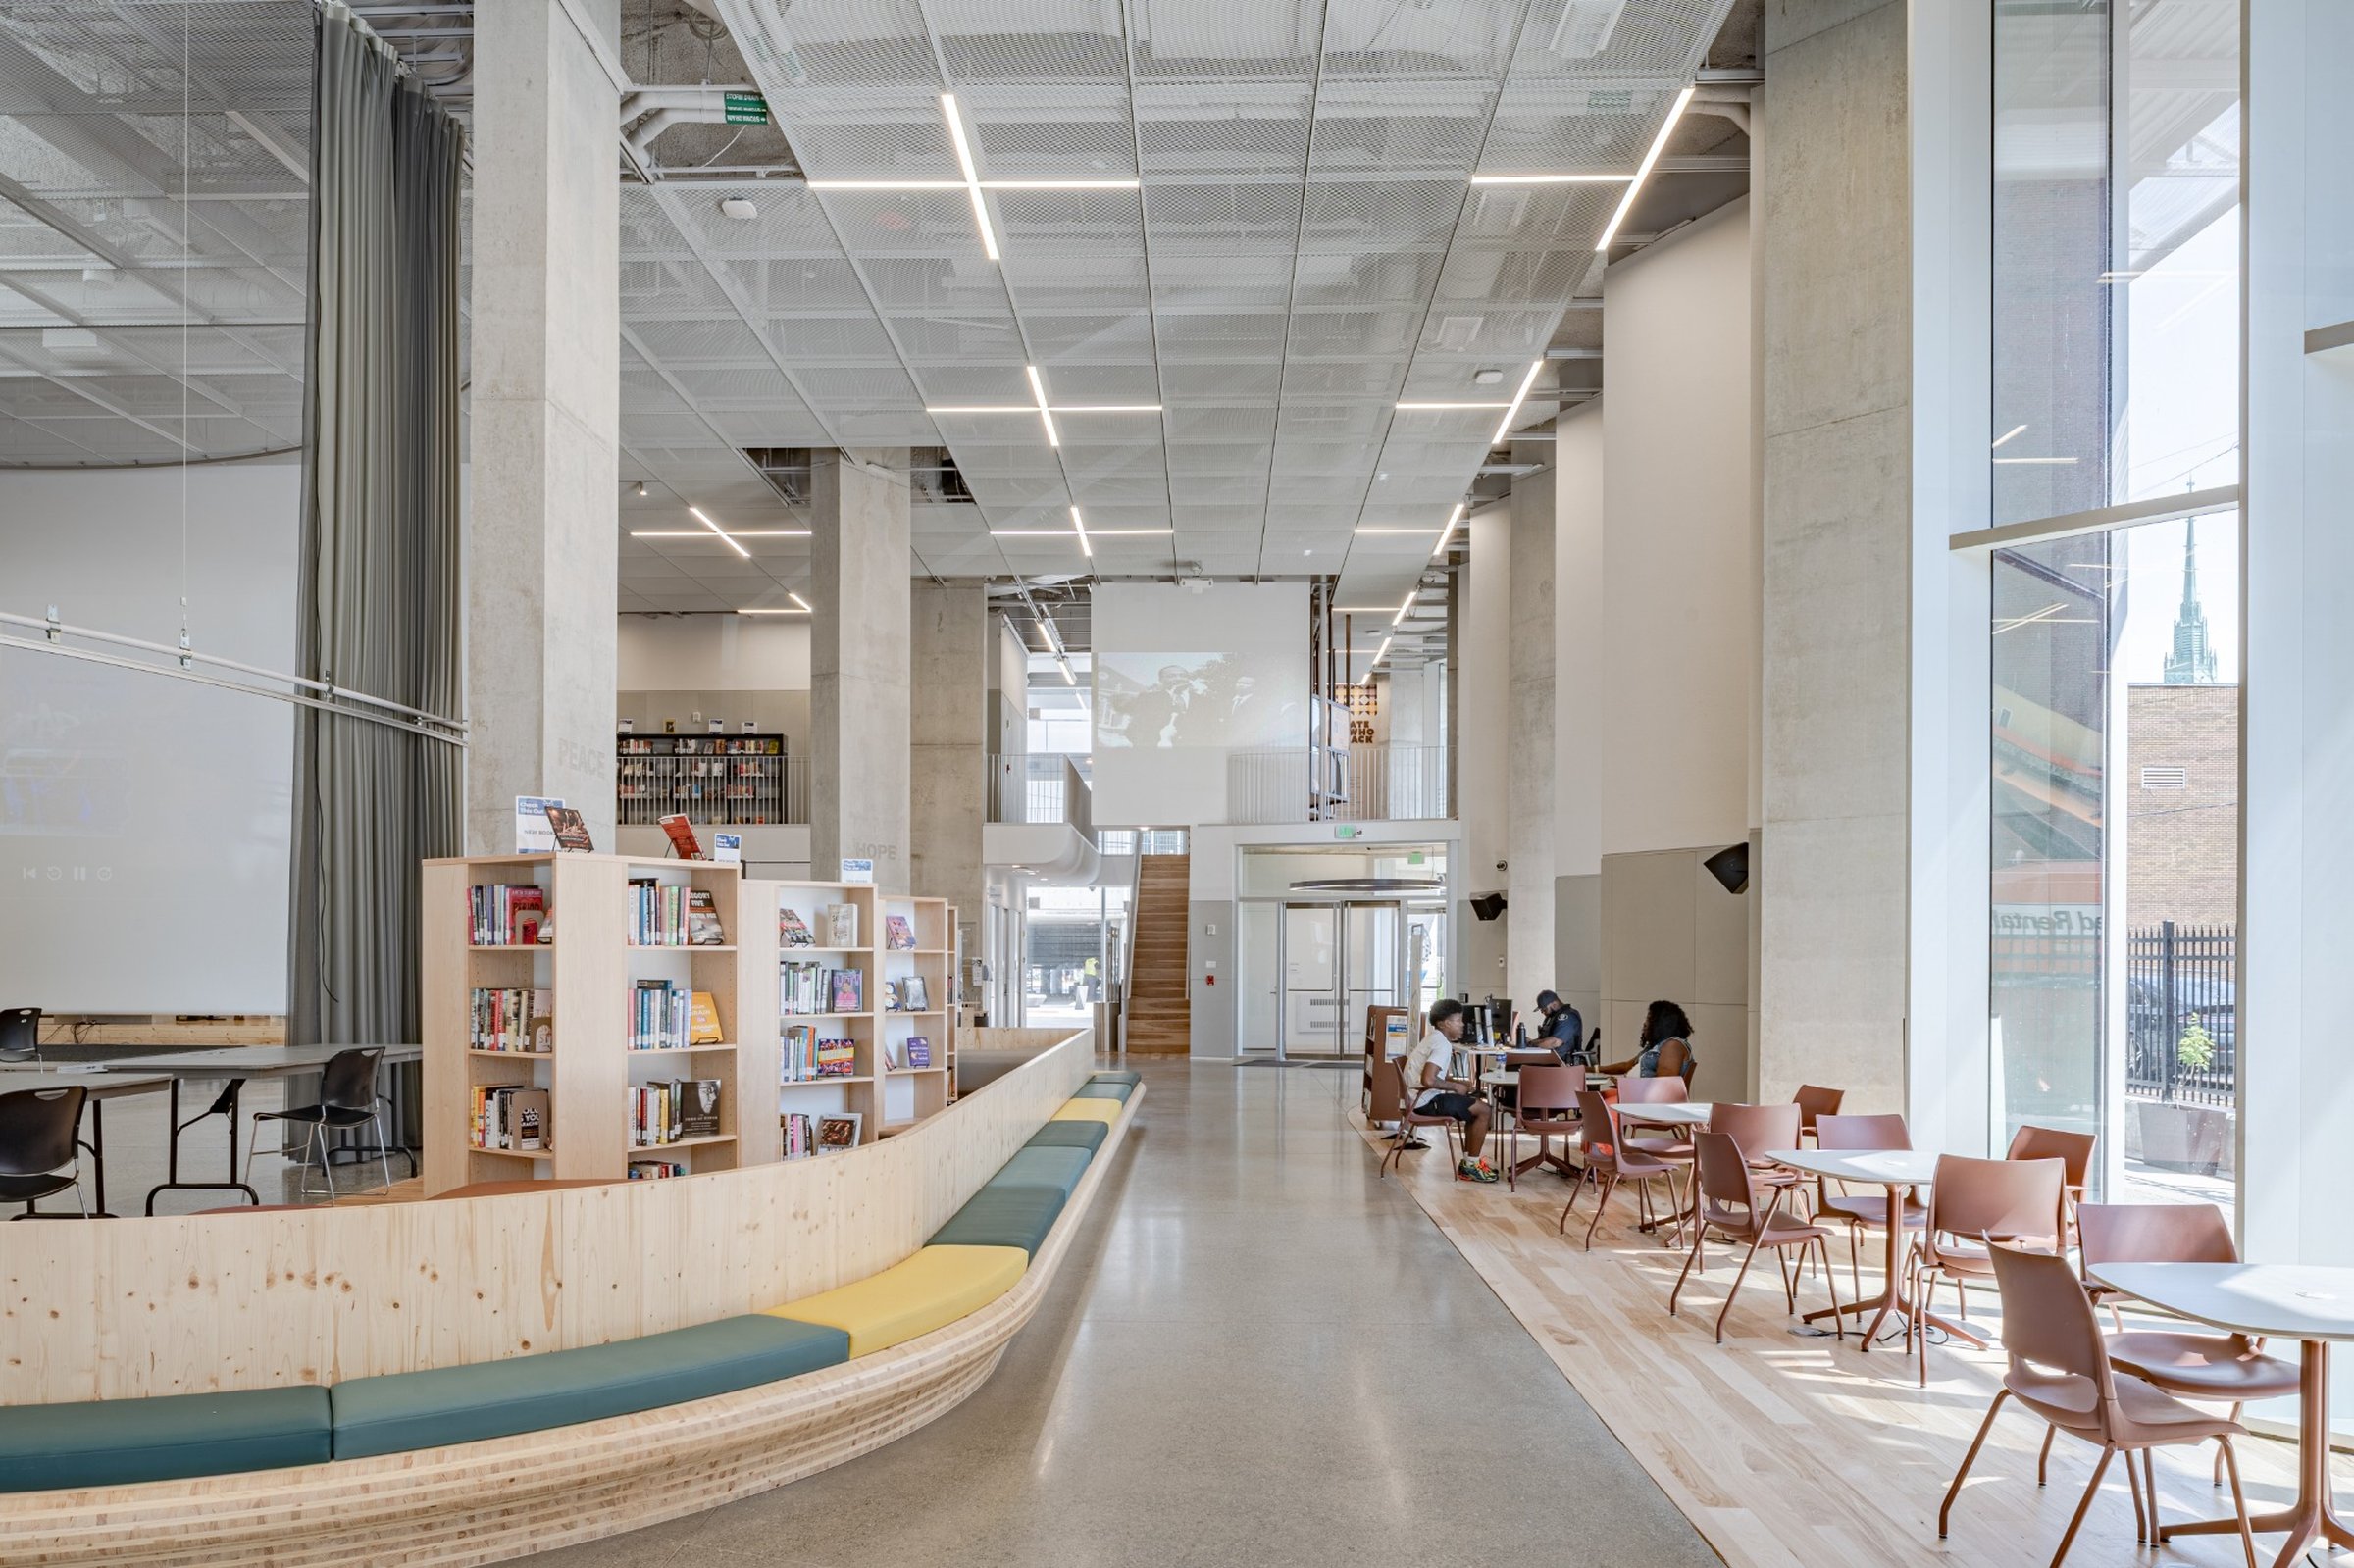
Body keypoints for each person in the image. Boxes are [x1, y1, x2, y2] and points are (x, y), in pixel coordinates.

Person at [1402, 999, 1498, 1182]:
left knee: (1474, 1108)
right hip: (1425, 1102)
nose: (1463, 1024)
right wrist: (1455, 1086)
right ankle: (1472, 1166)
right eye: (1458, 1020)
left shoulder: (1433, 1038)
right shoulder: (1442, 1045)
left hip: (1417, 1099)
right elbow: (1428, 1079)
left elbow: (1432, 1076)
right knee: (1484, 1110)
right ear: (1444, 1023)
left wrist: (1458, 1082)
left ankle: (1469, 1163)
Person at [1599, 1000, 1696, 1082]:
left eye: (1649, 1019)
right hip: (1635, 1095)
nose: (1645, 1023)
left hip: (1643, 1098)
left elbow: (1663, 1086)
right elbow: (1626, 1066)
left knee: (1595, 1097)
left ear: (1662, 1024)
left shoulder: (1673, 1046)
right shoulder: (1656, 1047)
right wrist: (1595, 1069)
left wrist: (1627, 1085)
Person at [1530, 990, 1587, 1063]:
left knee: (1523, 1065)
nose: (1542, 1012)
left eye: (1544, 1009)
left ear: (1554, 1004)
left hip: (1563, 1063)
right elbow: (1545, 1040)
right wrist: (1530, 1042)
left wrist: (1531, 1044)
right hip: (1551, 1060)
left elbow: (1554, 1042)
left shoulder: (1568, 1016)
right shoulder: (1552, 1017)